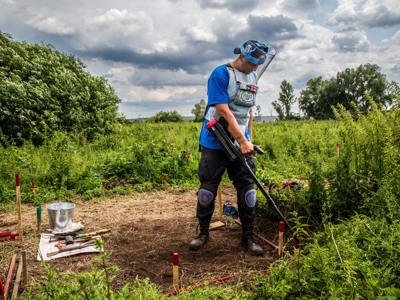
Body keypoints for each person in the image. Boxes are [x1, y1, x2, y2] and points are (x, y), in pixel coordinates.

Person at [189, 40, 270, 256]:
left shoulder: (252, 77)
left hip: (240, 140)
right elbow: (223, 111)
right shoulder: (220, 74)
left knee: (248, 191)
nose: (255, 69)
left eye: (257, 65)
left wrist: (248, 138)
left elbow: (248, 111)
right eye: (252, 64)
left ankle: (248, 238)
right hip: (216, 140)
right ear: (241, 58)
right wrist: (242, 141)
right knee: (207, 191)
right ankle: (203, 234)